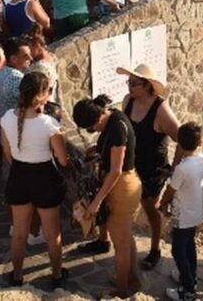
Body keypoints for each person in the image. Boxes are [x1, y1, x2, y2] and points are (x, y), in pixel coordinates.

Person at [1, 72, 69, 288]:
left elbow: (7, 153)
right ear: (41, 96)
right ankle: (57, 275)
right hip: (44, 178)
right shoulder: (49, 124)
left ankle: (17, 276)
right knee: (52, 233)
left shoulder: (6, 118)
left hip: (19, 176)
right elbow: (63, 160)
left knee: (19, 233)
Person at [72, 95, 142, 299]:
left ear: (98, 119)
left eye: (92, 129)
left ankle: (121, 291)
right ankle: (132, 279)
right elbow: (110, 150)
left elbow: (116, 171)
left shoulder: (117, 127)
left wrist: (96, 202)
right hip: (122, 185)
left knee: (121, 245)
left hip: (121, 188)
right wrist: (96, 151)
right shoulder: (113, 117)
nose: (93, 132)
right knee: (126, 238)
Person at [116, 64, 180, 271]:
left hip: (153, 168)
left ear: (147, 86)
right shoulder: (128, 102)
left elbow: (181, 138)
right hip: (131, 165)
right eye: (129, 82)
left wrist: (175, 168)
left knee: (151, 209)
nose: (130, 87)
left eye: (134, 84)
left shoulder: (160, 109)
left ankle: (155, 249)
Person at [158, 122, 203, 301]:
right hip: (195, 213)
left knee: (178, 251)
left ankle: (188, 290)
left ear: (180, 144)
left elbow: (170, 191)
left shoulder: (182, 168)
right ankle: (191, 277)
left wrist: (161, 204)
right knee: (189, 247)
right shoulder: (201, 160)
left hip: (183, 215)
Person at [25, 25, 61, 121]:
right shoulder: (51, 57)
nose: (29, 52)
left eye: (30, 48)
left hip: (44, 105)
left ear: (37, 45)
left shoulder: (39, 67)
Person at [0, 39, 31, 118]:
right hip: (19, 125)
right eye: (26, 56)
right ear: (13, 59)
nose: (30, 58)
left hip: (4, 124)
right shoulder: (19, 79)